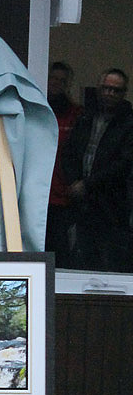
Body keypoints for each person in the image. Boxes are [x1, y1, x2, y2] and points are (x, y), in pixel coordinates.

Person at [61, 67, 133, 271]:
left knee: (111, 260)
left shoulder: (128, 123)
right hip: (81, 203)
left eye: (115, 90)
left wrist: (87, 184)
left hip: (112, 203)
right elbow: (69, 152)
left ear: (123, 93)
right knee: (80, 257)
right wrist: (73, 182)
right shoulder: (85, 116)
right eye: (106, 88)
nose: (109, 93)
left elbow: (123, 163)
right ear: (98, 89)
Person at [45, 62, 82, 268]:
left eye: (62, 80)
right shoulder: (36, 108)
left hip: (64, 196)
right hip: (39, 193)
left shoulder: (77, 114)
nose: (57, 84)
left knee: (60, 251)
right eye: (53, 78)